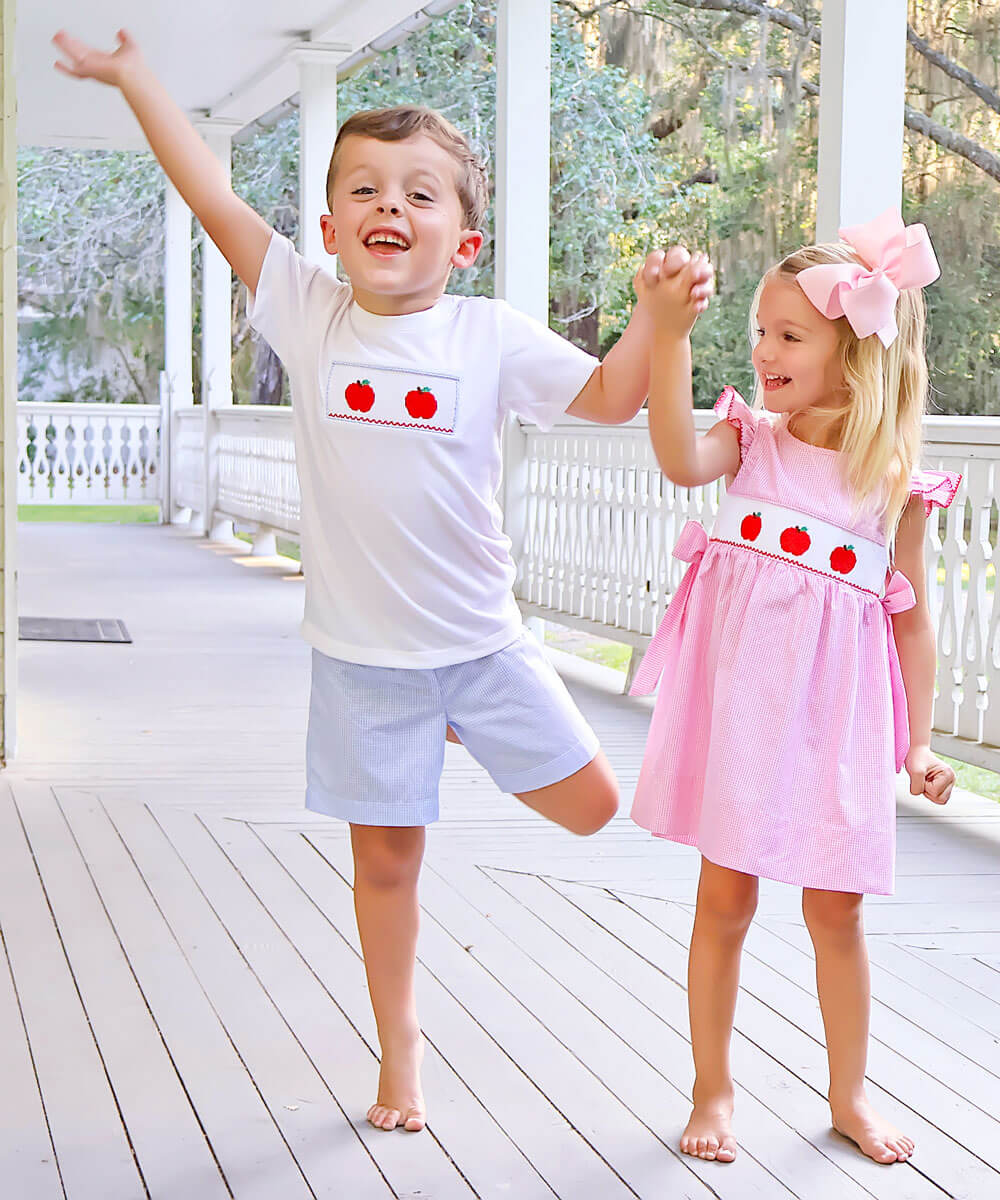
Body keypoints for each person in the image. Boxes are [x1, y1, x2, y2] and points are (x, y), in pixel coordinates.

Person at [53, 28, 714, 1134]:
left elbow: (606, 399)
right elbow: (208, 190)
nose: (387, 204)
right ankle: (399, 1054)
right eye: (364, 188)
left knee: (595, 810)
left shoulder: (487, 334)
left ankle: (457, 730)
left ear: (463, 241)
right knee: (390, 872)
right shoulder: (312, 309)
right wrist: (134, 77)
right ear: (329, 229)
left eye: (419, 192)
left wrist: (657, 323)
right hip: (363, 665)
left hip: (481, 647)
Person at [630, 211, 959, 1166]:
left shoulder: (890, 482)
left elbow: (911, 621)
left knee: (835, 911)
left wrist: (921, 743)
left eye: (789, 335)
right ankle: (714, 1087)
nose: (765, 350)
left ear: (852, 351)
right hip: (743, 718)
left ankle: (849, 1092)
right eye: (760, 333)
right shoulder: (750, 442)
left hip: (840, 725)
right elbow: (675, 457)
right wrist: (668, 341)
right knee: (724, 901)